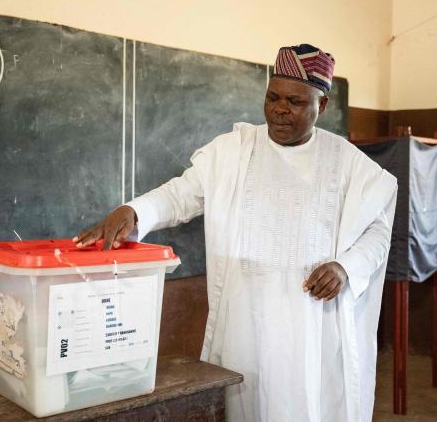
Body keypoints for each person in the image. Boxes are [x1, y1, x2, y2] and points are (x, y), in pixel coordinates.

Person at [74, 43, 397, 422]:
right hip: (244, 319)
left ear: (321, 106)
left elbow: (377, 231)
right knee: (244, 406)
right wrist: (135, 211)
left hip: (312, 327)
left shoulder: (348, 164)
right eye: (273, 97)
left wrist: (345, 267)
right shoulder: (234, 150)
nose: (280, 109)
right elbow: (181, 194)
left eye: (294, 101)